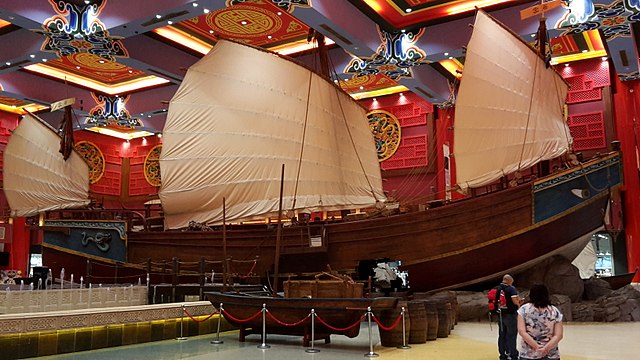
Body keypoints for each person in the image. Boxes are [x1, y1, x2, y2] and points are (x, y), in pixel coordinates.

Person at [517, 284, 563, 360]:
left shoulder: (524, 309)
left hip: (528, 353)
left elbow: (522, 332)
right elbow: (559, 335)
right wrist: (546, 348)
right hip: (551, 353)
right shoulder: (554, 311)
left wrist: (537, 347)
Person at [497, 274, 523, 360]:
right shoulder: (511, 289)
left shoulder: (497, 289)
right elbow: (515, 301)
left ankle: (502, 354)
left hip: (500, 314)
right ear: (509, 281)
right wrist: (519, 304)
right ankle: (513, 354)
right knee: (511, 335)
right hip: (510, 314)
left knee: (502, 334)